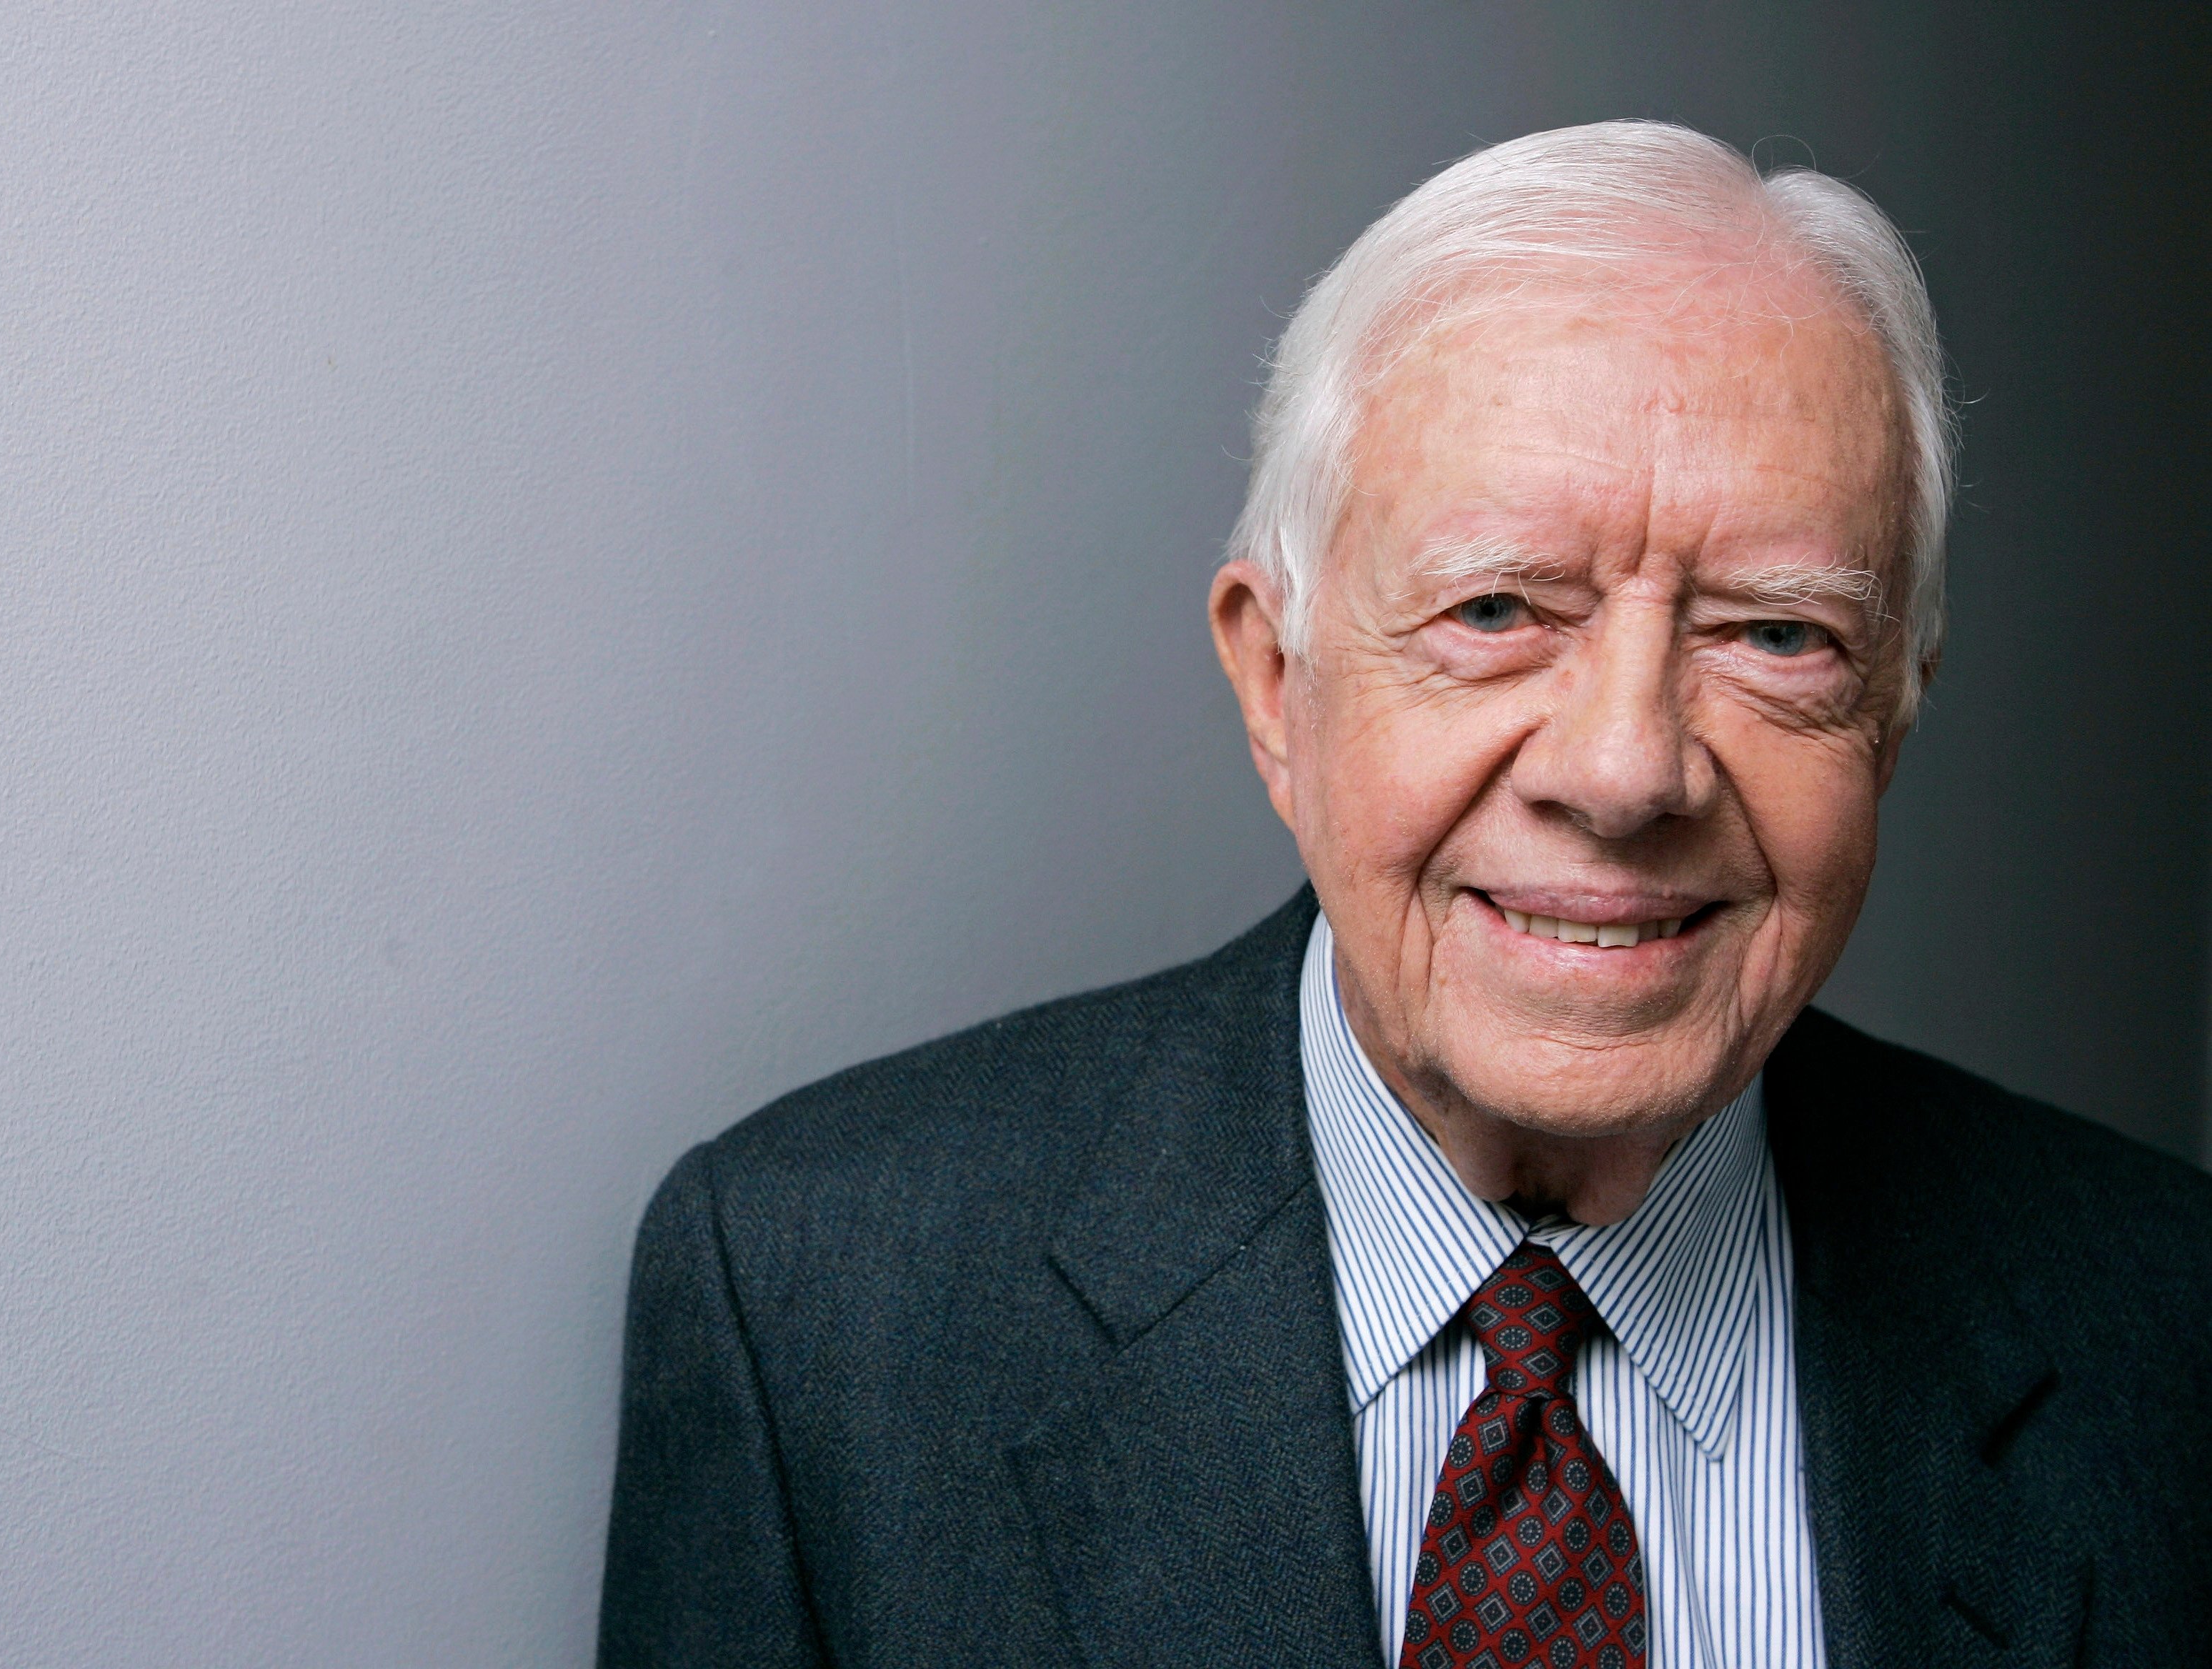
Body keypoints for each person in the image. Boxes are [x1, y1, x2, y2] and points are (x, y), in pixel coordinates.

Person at [597, 121, 2212, 1668]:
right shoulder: (813, 1306)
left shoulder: (2165, 1324)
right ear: (1274, 680)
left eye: (1776, 637)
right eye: (1500, 606)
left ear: (1898, 707)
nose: (1628, 767)